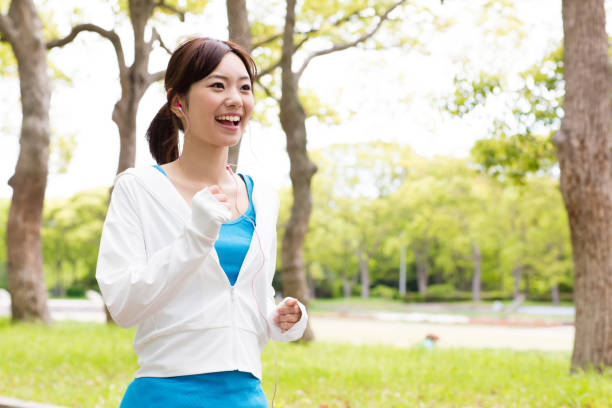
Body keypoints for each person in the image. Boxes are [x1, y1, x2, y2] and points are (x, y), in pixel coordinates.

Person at [95, 37, 308, 408]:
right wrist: (195, 235)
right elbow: (123, 305)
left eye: (244, 87)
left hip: (245, 396)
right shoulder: (138, 188)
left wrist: (281, 318)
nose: (235, 99)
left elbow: (247, 300)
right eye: (217, 85)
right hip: (165, 394)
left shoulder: (262, 196)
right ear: (179, 102)